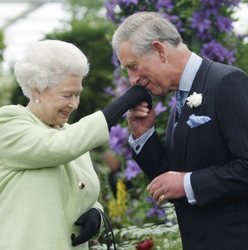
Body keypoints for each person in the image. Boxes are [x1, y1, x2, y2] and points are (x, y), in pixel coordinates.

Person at [111, 11, 248, 250]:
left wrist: (188, 184)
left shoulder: (226, 82)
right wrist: (144, 135)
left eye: (133, 66)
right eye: (127, 70)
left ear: (159, 50)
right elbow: (171, 178)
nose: (132, 79)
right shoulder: (180, 100)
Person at [0, 39, 151, 250]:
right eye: (67, 95)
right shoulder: (7, 123)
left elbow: (80, 192)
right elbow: (59, 148)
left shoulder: (71, 134)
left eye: (77, 94)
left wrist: (96, 213)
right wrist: (124, 102)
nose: (74, 103)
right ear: (36, 90)